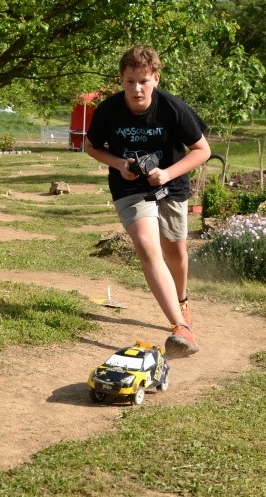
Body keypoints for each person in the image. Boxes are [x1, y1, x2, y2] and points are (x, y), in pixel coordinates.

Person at [85, 45, 211, 358]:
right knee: (147, 247)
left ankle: (182, 300)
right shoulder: (108, 110)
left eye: (143, 81)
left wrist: (167, 173)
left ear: (156, 78)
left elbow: (202, 150)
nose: (137, 89)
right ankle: (180, 327)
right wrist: (119, 164)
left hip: (171, 185)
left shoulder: (172, 108)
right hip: (129, 187)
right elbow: (91, 146)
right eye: (130, 81)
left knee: (175, 251)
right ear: (121, 80)